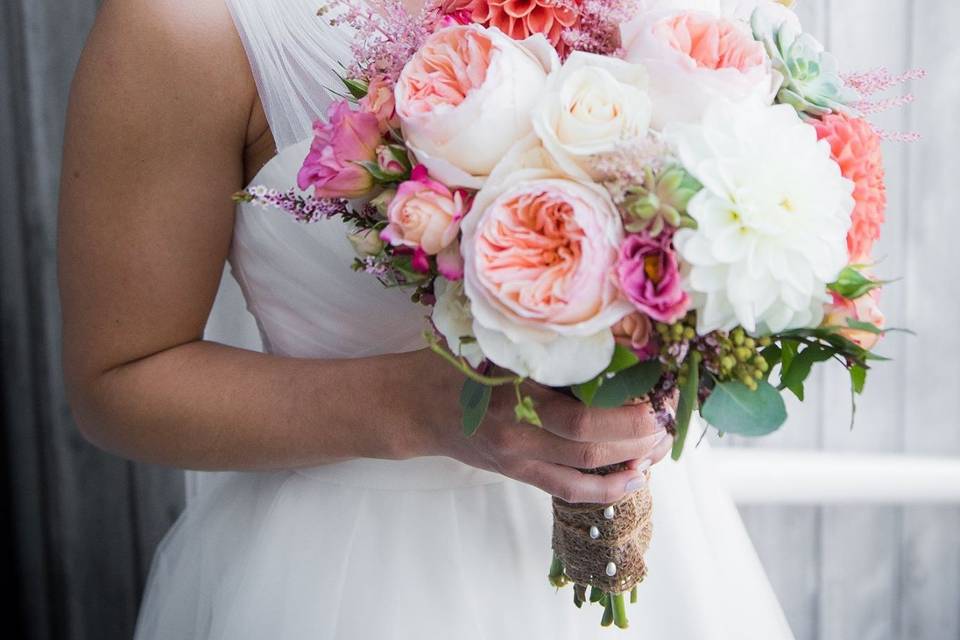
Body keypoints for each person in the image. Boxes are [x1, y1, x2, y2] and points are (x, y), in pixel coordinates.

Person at [58, 0, 793, 637]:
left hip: (672, 567)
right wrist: (432, 409)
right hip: (353, 579)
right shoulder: (188, 26)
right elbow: (121, 379)